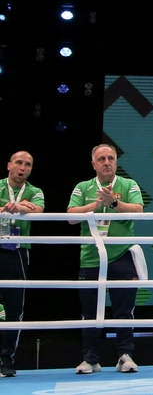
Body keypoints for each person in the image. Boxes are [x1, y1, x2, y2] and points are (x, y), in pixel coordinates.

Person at [67, 144, 144, 375]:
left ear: (116, 162)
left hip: (122, 256)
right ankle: (90, 359)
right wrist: (96, 205)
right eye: (102, 159)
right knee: (90, 312)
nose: (107, 162)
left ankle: (125, 355)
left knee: (124, 310)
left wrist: (114, 203)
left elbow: (138, 210)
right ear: (94, 164)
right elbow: (70, 216)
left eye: (111, 158)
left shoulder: (128, 184)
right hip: (91, 258)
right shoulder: (83, 187)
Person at [0, 151, 45, 377]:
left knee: (14, 308)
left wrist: (21, 208)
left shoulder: (34, 191)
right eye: (18, 162)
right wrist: (3, 210)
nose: (23, 167)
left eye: (28, 164)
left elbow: (39, 210)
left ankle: (6, 360)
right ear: (9, 165)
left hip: (16, 252)